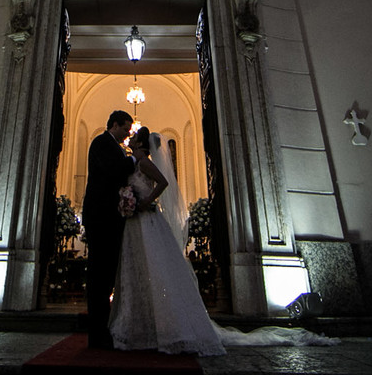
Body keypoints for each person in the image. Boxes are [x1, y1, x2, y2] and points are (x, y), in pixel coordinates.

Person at [109, 126, 338, 356]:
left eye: (134, 136)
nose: (130, 138)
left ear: (140, 144)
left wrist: (146, 200)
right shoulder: (131, 162)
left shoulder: (145, 163)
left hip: (147, 221)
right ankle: (143, 325)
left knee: (157, 269)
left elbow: (162, 183)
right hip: (135, 223)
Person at [81, 109, 136, 349]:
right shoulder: (102, 143)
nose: (127, 133)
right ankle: (96, 332)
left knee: (105, 276)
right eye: (125, 128)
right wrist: (134, 160)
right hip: (101, 218)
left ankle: (103, 328)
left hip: (109, 219)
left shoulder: (113, 146)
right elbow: (114, 171)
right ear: (114, 125)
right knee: (99, 276)